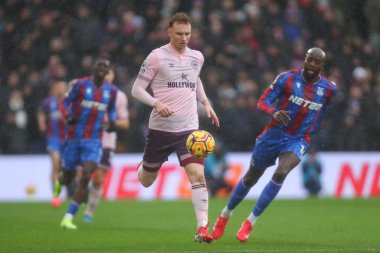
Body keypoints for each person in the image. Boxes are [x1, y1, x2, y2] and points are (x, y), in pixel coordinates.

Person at [212, 47, 336, 242]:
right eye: (309, 60)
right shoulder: (287, 78)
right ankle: (225, 215)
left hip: (298, 139)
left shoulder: (329, 89)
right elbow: (263, 101)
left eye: (317, 62)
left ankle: (250, 222)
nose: (312, 65)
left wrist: (310, 133)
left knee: (281, 172)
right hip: (274, 134)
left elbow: (323, 113)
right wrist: (274, 112)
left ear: (322, 65)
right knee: (251, 177)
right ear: (304, 59)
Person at [131, 12, 220, 243]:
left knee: (198, 175)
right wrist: (156, 102)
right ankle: (143, 166)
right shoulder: (156, 57)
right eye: (179, 34)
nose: (184, 38)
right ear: (169, 32)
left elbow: (195, 79)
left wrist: (206, 103)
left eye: (187, 34)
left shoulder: (197, 57)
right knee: (146, 181)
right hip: (161, 129)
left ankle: (202, 228)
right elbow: (136, 89)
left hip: (189, 130)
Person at [54, 58, 117, 230]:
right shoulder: (80, 85)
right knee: (68, 176)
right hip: (74, 137)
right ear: (94, 69)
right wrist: (68, 116)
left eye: (106, 66)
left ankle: (68, 217)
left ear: (108, 71)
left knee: (87, 175)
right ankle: (60, 181)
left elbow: (111, 109)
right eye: (99, 65)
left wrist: (112, 121)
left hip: (94, 140)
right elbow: (63, 103)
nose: (102, 69)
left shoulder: (111, 91)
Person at [83, 69, 130, 223]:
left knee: (98, 178)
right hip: (88, 139)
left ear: (113, 75)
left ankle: (89, 211)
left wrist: (109, 122)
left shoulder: (120, 96)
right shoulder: (88, 92)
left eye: (109, 73)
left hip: (107, 142)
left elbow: (125, 123)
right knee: (82, 175)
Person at [37, 80, 67, 207]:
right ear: (55, 88)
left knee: (63, 168)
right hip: (53, 138)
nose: (61, 89)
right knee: (55, 162)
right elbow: (41, 112)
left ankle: (67, 191)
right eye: (59, 87)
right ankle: (55, 196)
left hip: (68, 139)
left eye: (63, 87)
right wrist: (42, 122)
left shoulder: (69, 102)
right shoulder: (49, 102)